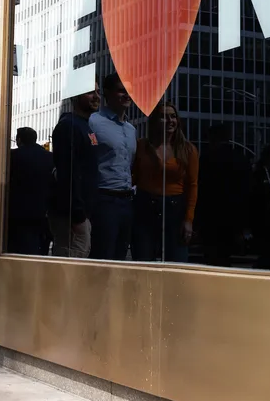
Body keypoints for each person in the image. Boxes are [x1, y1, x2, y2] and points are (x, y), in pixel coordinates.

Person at [131, 102, 199, 262]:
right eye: (163, 117)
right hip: (144, 207)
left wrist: (188, 220)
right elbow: (133, 176)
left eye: (173, 116)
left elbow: (193, 185)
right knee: (143, 261)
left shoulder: (188, 150)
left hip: (175, 210)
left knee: (176, 263)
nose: (170, 121)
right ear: (154, 121)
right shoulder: (142, 146)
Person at [88, 73, 137, 260]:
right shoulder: (94, 122)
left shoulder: (131, 129)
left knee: (120, 257)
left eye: (129, 91)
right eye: (121, 90)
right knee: (103, 256)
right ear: (107, 94)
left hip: (127, 201)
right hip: (104, 199)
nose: (126, 95)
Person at [49, 88, 100, 258]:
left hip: (81, 214)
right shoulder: (68, 127)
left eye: (98, 92)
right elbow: (67, 173)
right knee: (71, 269)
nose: (96, 97)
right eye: (90, 92)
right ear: (76, 95)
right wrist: (77, 215)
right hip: (72, 217)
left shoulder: (83, 126)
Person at [195, 123, 251, 266]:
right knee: (226, 258)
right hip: (232, 217)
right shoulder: (240, 158)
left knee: (212, 258)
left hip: (211, 217)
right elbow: (246, 192)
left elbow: (201, 189)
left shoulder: (206, 158)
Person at [7, 127, 55, 255]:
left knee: (21, 247)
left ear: (19, 140)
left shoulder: (12, 156)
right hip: (43, 209)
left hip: (19, 210)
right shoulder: (49, 157)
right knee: (41, 247)